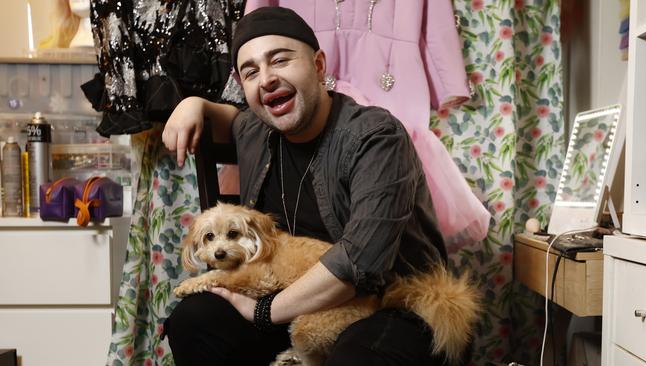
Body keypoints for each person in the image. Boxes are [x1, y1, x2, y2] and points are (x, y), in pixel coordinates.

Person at [162, 7, 464, 365]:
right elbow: (233, 119)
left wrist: (263, 311)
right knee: (191, 321)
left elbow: (359, 265)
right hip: (294, 303)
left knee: (354, 359)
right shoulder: (256, 131)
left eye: (280, 61)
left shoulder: (376, 137)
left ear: (319, 65)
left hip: (392, 303)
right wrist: (193, 104)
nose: (267, 79)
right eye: (251, 72)